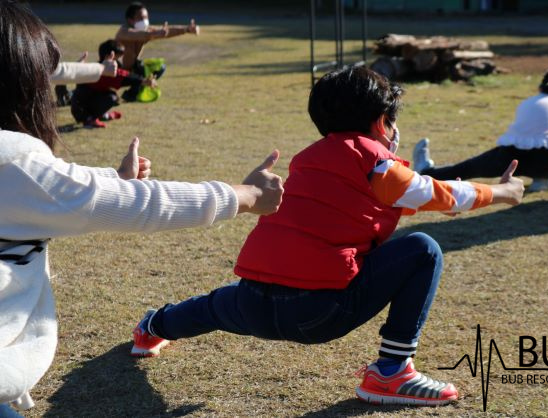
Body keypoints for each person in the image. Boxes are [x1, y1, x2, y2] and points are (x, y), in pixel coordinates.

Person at [130, 67, 524, 407]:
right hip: (316, 313)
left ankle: (152, 327)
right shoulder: (376, 164)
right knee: (423, 249)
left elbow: (376, 201)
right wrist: (503, 192)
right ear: (382, 122)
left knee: (212, 308)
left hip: (252, 300)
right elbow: (442, 195)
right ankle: (391, 372)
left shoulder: (311, 159)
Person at [0, 1, 283, 415]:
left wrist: (114, 179)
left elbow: (50, 188)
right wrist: (245, 196)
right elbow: (143, 205)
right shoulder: (12, 163)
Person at [414, 66, 548, 192]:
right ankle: (544, 179)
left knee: (470, 167)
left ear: (541, 87)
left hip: (511, 154)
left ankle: (428, 174)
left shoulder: (528, 102)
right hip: (547, 161)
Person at [115, 2, 200, 102]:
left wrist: (187, 29)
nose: (145, 21)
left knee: (159, 67)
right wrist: (156, 33)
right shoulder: (123, 32)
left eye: (146, 17)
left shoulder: (146, 31)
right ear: (130, 20)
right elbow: (141, 35)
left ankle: (132, 94)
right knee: (139, 68)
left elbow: (167, 31)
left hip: (133, 71)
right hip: (116, 73)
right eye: (141, 18)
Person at [71, 40, 157, 128]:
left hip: (78, 106)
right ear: (108, 57)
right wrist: (143, 81)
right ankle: (89, 119)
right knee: (112, 97)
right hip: (81, 110)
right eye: (118, 58)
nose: (119, 61)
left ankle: (100, 115)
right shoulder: (108, 74)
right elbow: (125, 77)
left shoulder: (94, 67)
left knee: (109, 94)